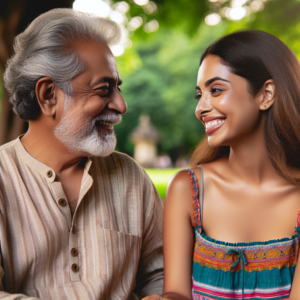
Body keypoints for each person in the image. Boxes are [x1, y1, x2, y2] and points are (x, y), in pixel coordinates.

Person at [0, 8, 164, 300]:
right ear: (49, 95)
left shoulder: (131, 177)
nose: (121, 106)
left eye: (118, 89)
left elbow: (160, 274)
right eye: (104, 90)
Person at [144, 30, 300, 300]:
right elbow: (176, 292)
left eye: (216, 90)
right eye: (199, 95)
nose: (201, 108)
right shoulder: (187, 189)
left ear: (266, 95)